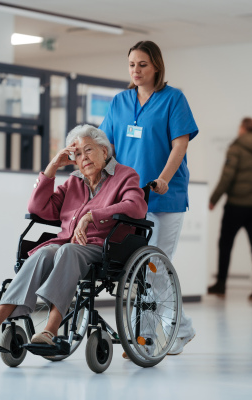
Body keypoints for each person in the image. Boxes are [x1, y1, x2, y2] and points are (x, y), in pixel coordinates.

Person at [0, 125, 147, 346]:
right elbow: (37, 207)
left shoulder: (125, 175)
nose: (83, 158)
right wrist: (52, 167)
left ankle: (50, 330)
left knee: (67, 251)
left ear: (104, 150)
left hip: (104, 247)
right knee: (44, 253)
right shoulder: (74, 182)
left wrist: (92, 216)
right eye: (77, 154)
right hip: (66, 245)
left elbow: (136, 206)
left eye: (88, 150)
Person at [99, 40, 198, 356]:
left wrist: (164, 180)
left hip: (165, 197)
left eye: (142, 64)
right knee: (142, 267)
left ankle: (144, 339)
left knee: (153, 265)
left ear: (156, 65)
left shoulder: (173, 99)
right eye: (131, 65)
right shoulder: (120, 102)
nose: (136, 70)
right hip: (131, 198)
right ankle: (180, 329)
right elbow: (106, 146)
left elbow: (179, 145)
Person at [206, 118, 252, 302]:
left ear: (243, 129)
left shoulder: (236, 148)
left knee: (225, 245)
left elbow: (227, 176)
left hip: (236, 205)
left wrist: (214, 199)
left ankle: (221, 285)